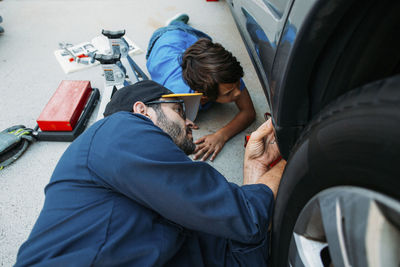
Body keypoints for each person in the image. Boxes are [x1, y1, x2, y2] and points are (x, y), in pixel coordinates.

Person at [15, 80, 285, 266]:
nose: (191, 122)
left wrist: (256, 167)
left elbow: (242, 239)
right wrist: (294, 158)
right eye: (179, 110)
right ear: (142, 111)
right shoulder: (118, 130)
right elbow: (246, 216)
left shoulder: (170, 207)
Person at [146, 14, 256, 162]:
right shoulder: (175, 94)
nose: (238, 92)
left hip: (188, 38)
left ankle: (180, 25)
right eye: (229, 93)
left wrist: (221, 135)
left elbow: (249, 112)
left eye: (237, 84)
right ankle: (175, 23)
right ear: (203, 95)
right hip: (163, 39)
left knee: (201, 42)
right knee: (177, 29)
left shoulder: (224, 76)